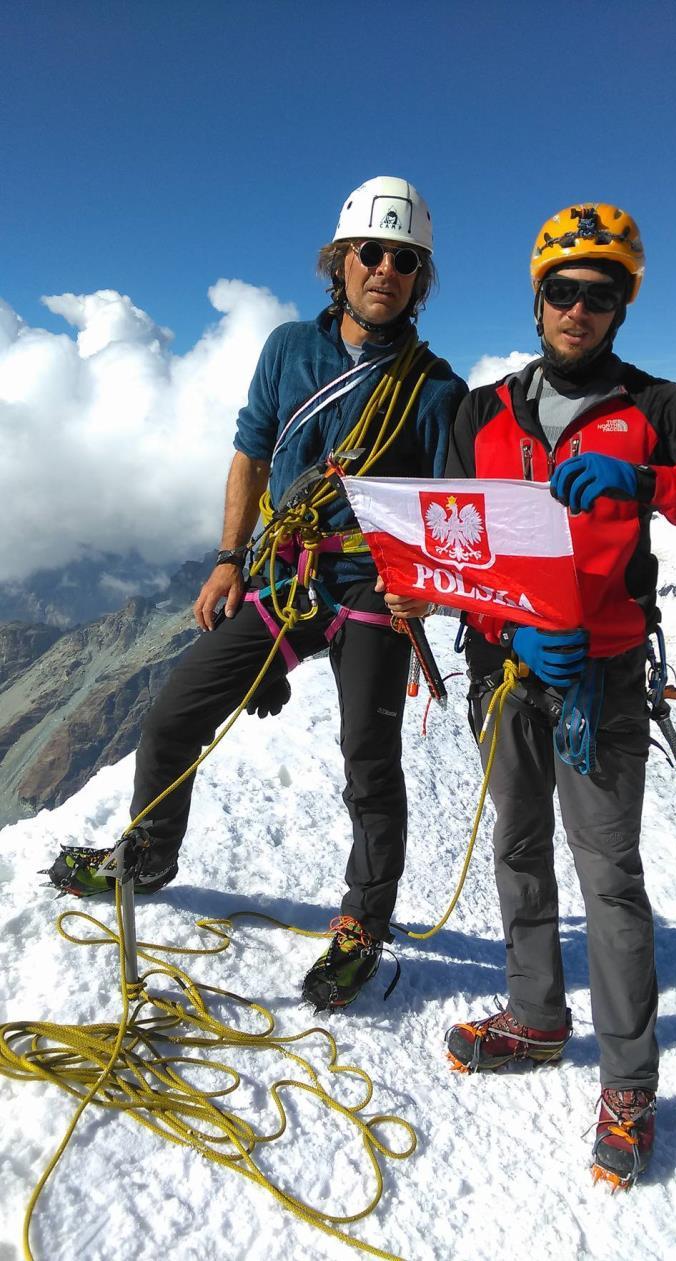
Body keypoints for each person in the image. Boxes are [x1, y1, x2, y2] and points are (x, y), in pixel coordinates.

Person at [52, 176, 466, 1011]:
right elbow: (250, 453)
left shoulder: (434, 389)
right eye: (370, 253)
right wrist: (227, 557)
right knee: (175, 712)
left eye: (404, 259)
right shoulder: (287, 350)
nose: (385, 268)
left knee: (369, 761)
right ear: (340, 263)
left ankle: (363, 922)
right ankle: (150, 855)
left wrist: (420, 585)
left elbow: (442, 507)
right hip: (288, 575)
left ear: (419, 279)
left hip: (372, 596)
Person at [441, 203, 676, 1187]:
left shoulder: (659, 406)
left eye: (601, 295)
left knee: (607, 876)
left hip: (597, 675)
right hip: (503, 663)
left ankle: (630, 1080)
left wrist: (645, 480)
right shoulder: (483, 411)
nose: (579, 309)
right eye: (563, 290)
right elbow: (438, 525)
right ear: (538, 295)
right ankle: (538, 1014)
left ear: (622, 307)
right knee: (517, 846)